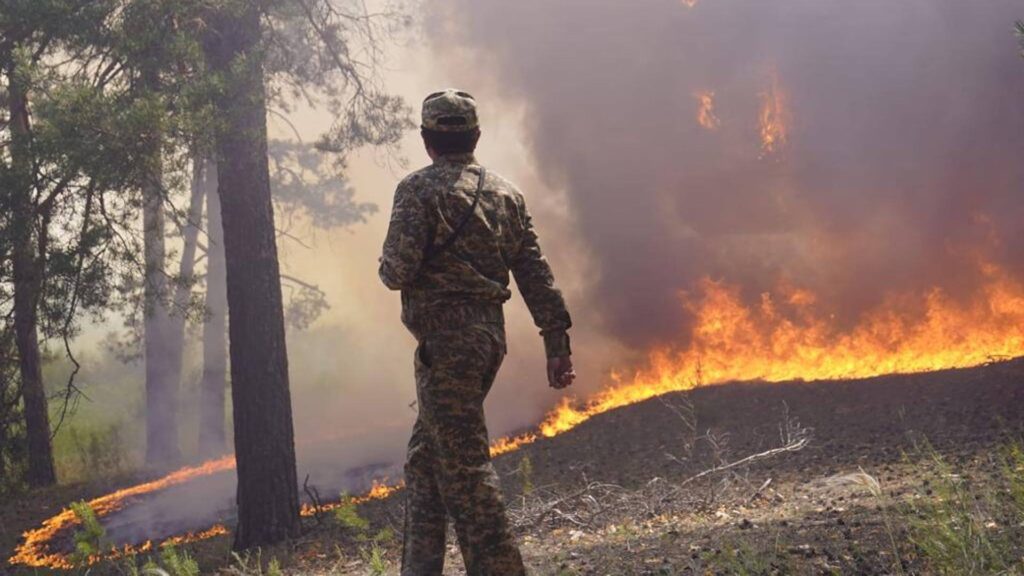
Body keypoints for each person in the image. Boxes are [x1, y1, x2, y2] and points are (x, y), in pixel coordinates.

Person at [379, 89, 576, 575]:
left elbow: (397, 272)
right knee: (425, 463)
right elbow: (534, 272)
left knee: (464, 469)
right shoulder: (506, 194)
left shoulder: (417, 191)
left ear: (427, 140)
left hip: (446, 347)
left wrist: (388, 265)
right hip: (487, 339)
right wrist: (557, 341)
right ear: (476, 137)